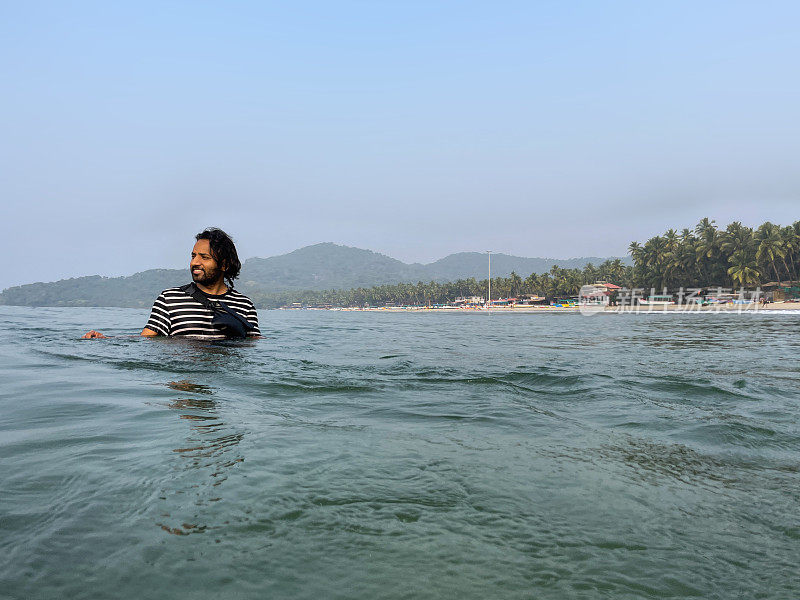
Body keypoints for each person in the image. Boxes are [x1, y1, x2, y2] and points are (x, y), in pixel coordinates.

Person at [83, 228, 260, 339]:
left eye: (204, 257)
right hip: (187, 378)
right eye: (193, 256)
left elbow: (256, 347)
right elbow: (145, 339)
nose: (194, 262)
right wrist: (106, 339)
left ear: (224, 264)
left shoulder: (244, 305)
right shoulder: (170, 299)